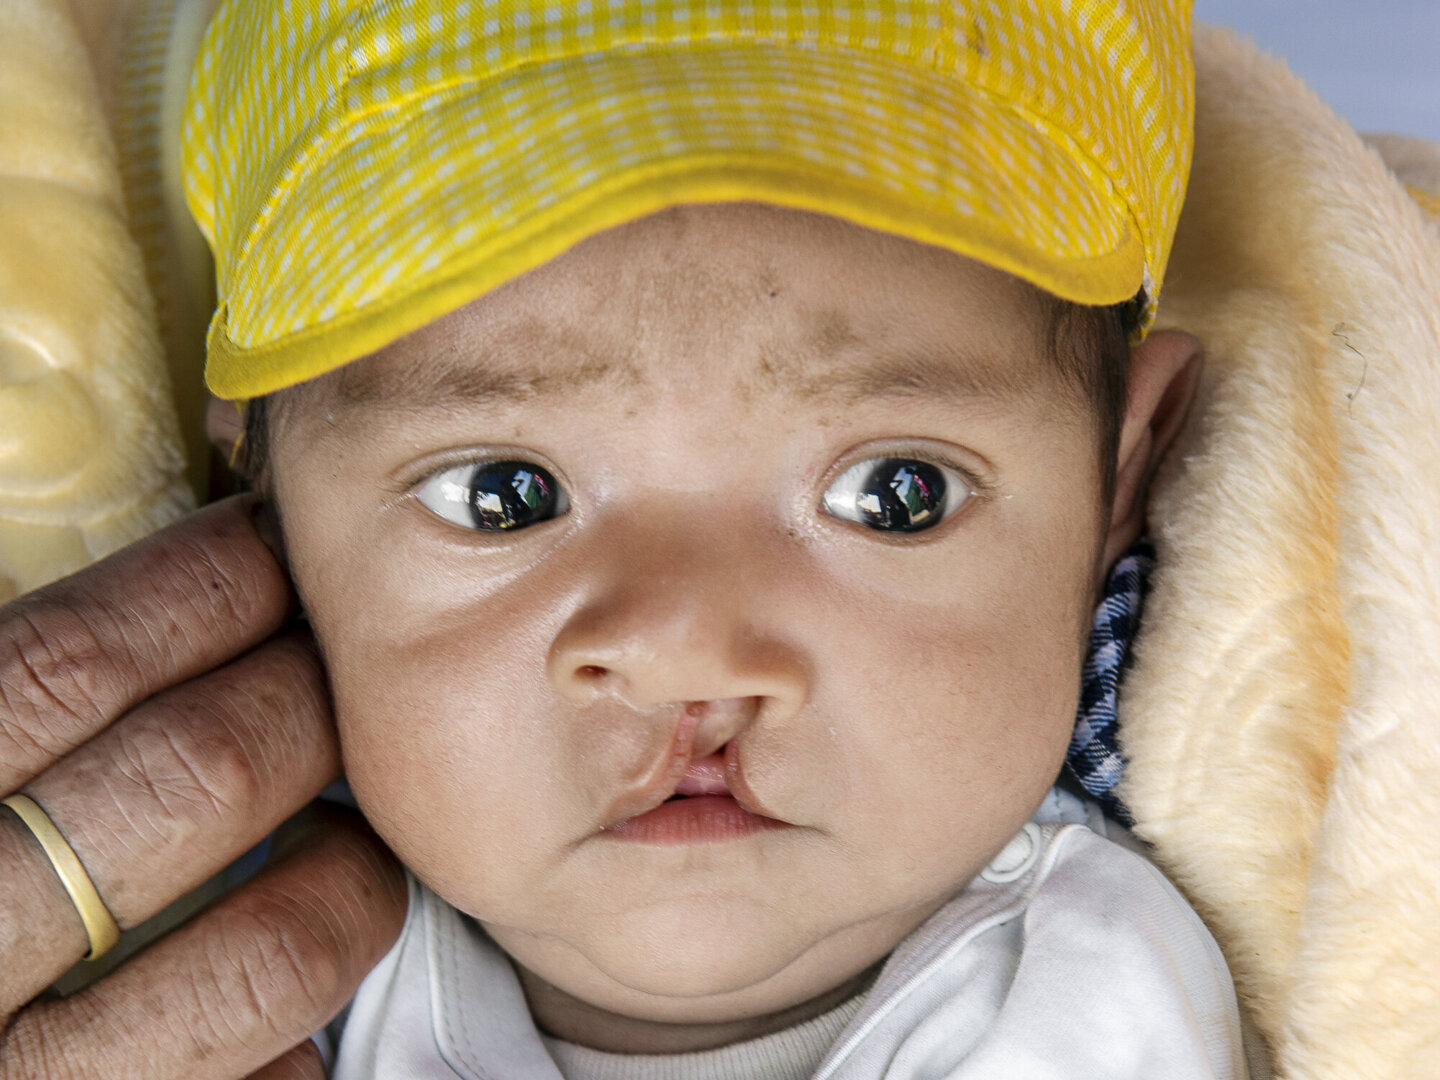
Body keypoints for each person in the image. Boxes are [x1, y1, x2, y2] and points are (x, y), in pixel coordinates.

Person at [182, 0, 1250, 1076]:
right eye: (501, 495)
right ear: (265, 504)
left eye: (897, 493)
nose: (682, 652)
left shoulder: (1082, 996)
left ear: (1122, 475)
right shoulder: (195, 944)